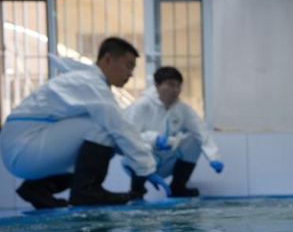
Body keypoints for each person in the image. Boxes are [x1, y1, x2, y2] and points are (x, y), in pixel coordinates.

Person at [0, 37, 170, 209]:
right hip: (24, 147)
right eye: (128, 66)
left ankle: (39, 188)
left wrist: (144, 158)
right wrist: (147, 168)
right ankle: (87, 192)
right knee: (103, 127)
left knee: (98, 141)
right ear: (108, 59)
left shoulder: (88, 84)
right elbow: (119, 129)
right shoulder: (91, 83)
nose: (131, 74)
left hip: (24, 149)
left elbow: (120, 139)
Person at [122, 66, 224, 199]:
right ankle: (137, 189)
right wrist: (154, 139)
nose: (175, 90)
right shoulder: (141, 106)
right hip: (140, 162)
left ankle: (178, 187)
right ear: (157, 85)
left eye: (178, 86)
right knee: (142, 147)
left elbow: (202, 132)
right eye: (170, 85)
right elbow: (128, 136)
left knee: (193, 139)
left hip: (166, 161)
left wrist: (214, 157)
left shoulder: (182, 109)